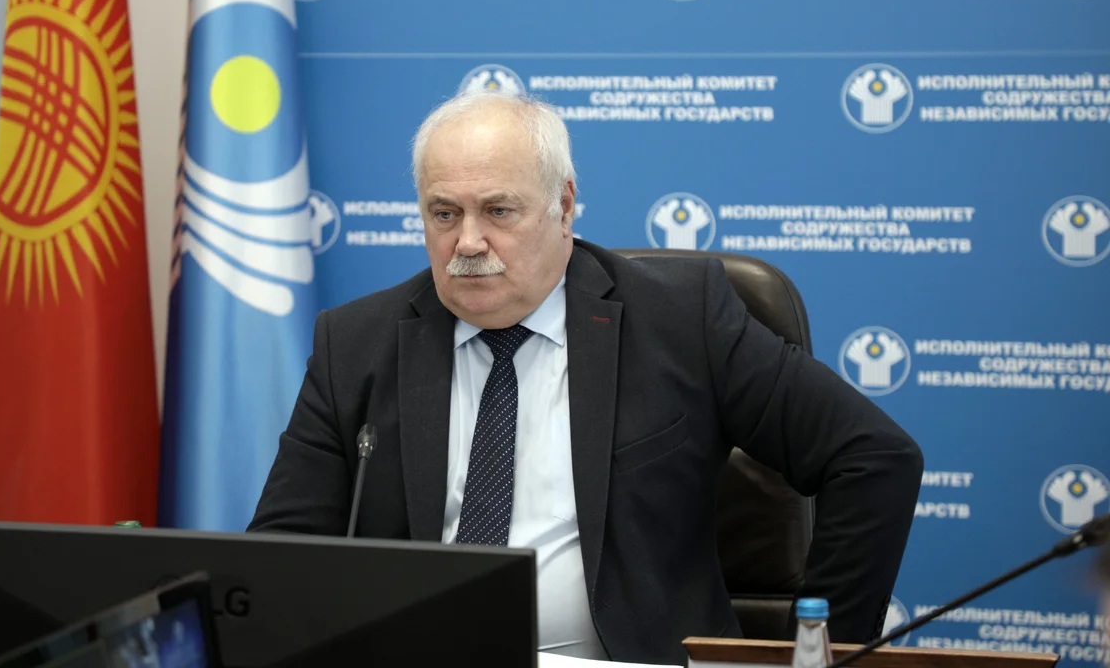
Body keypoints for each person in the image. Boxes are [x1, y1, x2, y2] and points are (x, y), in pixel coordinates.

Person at [248, 89, 924, 664]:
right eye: (444, 213)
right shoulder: (356, 345)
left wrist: (816, 654)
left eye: (499, 211)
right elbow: (278, 559)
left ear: (565, 206)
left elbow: (873, 457)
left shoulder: (679, 321)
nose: (468, 243)